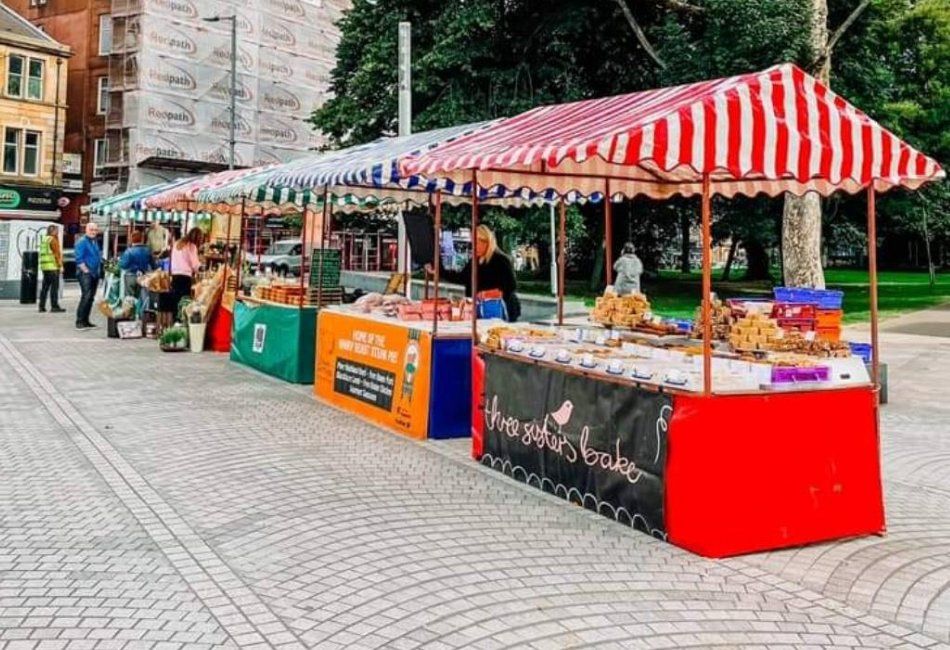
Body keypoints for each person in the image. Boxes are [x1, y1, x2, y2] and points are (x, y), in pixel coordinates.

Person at [428, 225, 521, 322]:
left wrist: (488, 293)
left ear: (486, 242)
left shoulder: (501, 260)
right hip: (479, 309)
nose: (473, 246)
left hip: (499, 311)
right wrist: (438, 271)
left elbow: (511, 286)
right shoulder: (474, 261)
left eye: (476, 242)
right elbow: (460, 277)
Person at [74, 222, 102, 329]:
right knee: (86, 296)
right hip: (85, 273)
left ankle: (86, 320)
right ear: (86, 230)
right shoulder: (82, 242)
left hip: (94, 273)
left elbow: (97, 256)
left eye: (95, 230)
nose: (94, 232)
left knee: (90, 298)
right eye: (91, 230)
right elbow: (79, 258)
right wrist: (86, 271)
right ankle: (80, 321)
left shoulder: (94, 241)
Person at [170, 227, 203, 312]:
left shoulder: (177, 243)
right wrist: (200, 268)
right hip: (185, 277)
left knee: (175, 299)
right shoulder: (191, 246)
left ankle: (175, 320)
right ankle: (182, 319)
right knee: (184, 301)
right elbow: (195, 264)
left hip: (175, 275)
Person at [38, 224, 65, 313]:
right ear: (53, 231)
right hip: (53, 267)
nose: (57, 232)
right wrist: (60, 266)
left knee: (45, 288)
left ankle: (41, 306)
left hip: (45, 267)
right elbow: (57, 254)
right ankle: (54, 306)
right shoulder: (53, 240)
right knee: (54, 287)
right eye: (56, 231)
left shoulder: (44, 239)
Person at [119, 230, 155, 297]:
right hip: (143, 277)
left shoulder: (128, 251)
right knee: (141, 298)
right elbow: (154, 265)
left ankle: (131, 307)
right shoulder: (147, 250)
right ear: (141, 239)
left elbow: (123, 265)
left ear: (131, 239)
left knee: (129, 298)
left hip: (130, 276)